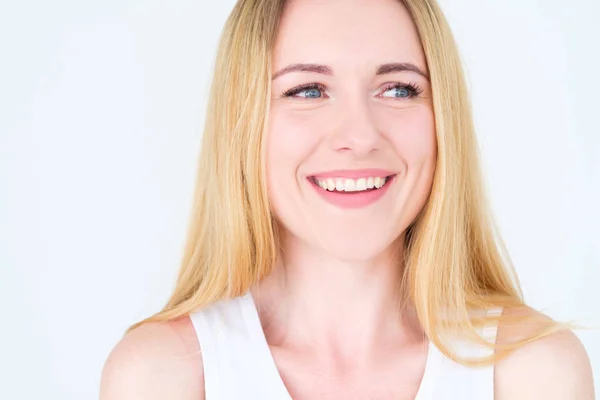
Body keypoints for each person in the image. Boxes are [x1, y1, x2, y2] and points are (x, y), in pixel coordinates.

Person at [100, 0, 594, 398]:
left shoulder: (532, 373)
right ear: (242, 123)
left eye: (399, 89)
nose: (359, 136)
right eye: (308, 90)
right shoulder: (163, 376)